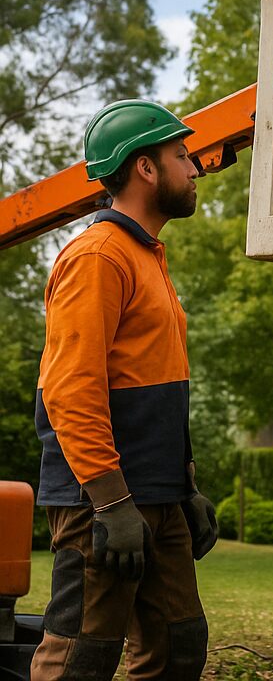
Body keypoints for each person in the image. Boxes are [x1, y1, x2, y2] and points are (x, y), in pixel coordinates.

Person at [31, 100, 218, 681]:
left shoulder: (145, 256)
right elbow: (70, 388)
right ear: (144, 168)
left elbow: (159, 384)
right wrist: (112, 500)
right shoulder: (98, 257)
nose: (194, 169)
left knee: (177, 648)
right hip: (102, 504)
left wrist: (183, 487)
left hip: (157, 500)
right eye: (181, 155)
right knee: (81, 660)